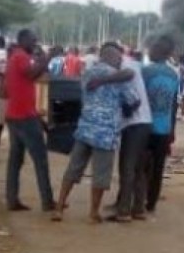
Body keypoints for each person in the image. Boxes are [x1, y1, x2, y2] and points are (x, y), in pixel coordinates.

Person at [54, 42, 138, 223]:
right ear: (112, 57)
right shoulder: (119, 78)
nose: (120, 62)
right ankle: (93, 213)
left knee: (73, 170)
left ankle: (59, 207)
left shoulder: (87, 73)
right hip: (105, 133)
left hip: (84, 128)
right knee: (100, 175)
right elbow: (133, 101)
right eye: (118, 58)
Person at [4, 29, 55, 212]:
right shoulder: (20, 57)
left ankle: (12, 199)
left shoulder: (15, 57)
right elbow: (32, 74)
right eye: (32, 40)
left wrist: (42, 59)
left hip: (15, 114)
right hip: (24, 116)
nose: (35, 43)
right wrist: (48, 57)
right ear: (22, 39)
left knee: (15, 160)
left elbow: (38, 75)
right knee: (40, 159)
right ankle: (47, 201)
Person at [111, 48, 155, 222]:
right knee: (138, 169)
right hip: (143, 123)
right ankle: (138, 208)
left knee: (127, 168)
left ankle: (124, 210)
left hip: (135, 125)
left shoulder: (127, 66)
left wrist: (101, 80)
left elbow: (131, 100)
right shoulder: (130, 65)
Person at [140, 36, 182, 214]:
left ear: (158, 52)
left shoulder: (146, 72)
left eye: (152, 49)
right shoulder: (174, 74)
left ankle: (137, 200)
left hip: (145, 126)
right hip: (164, 129)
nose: (149, 51)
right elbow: (173, 105)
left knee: (140, 166)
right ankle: (151, 202)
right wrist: (172, 130)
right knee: (158, 167)